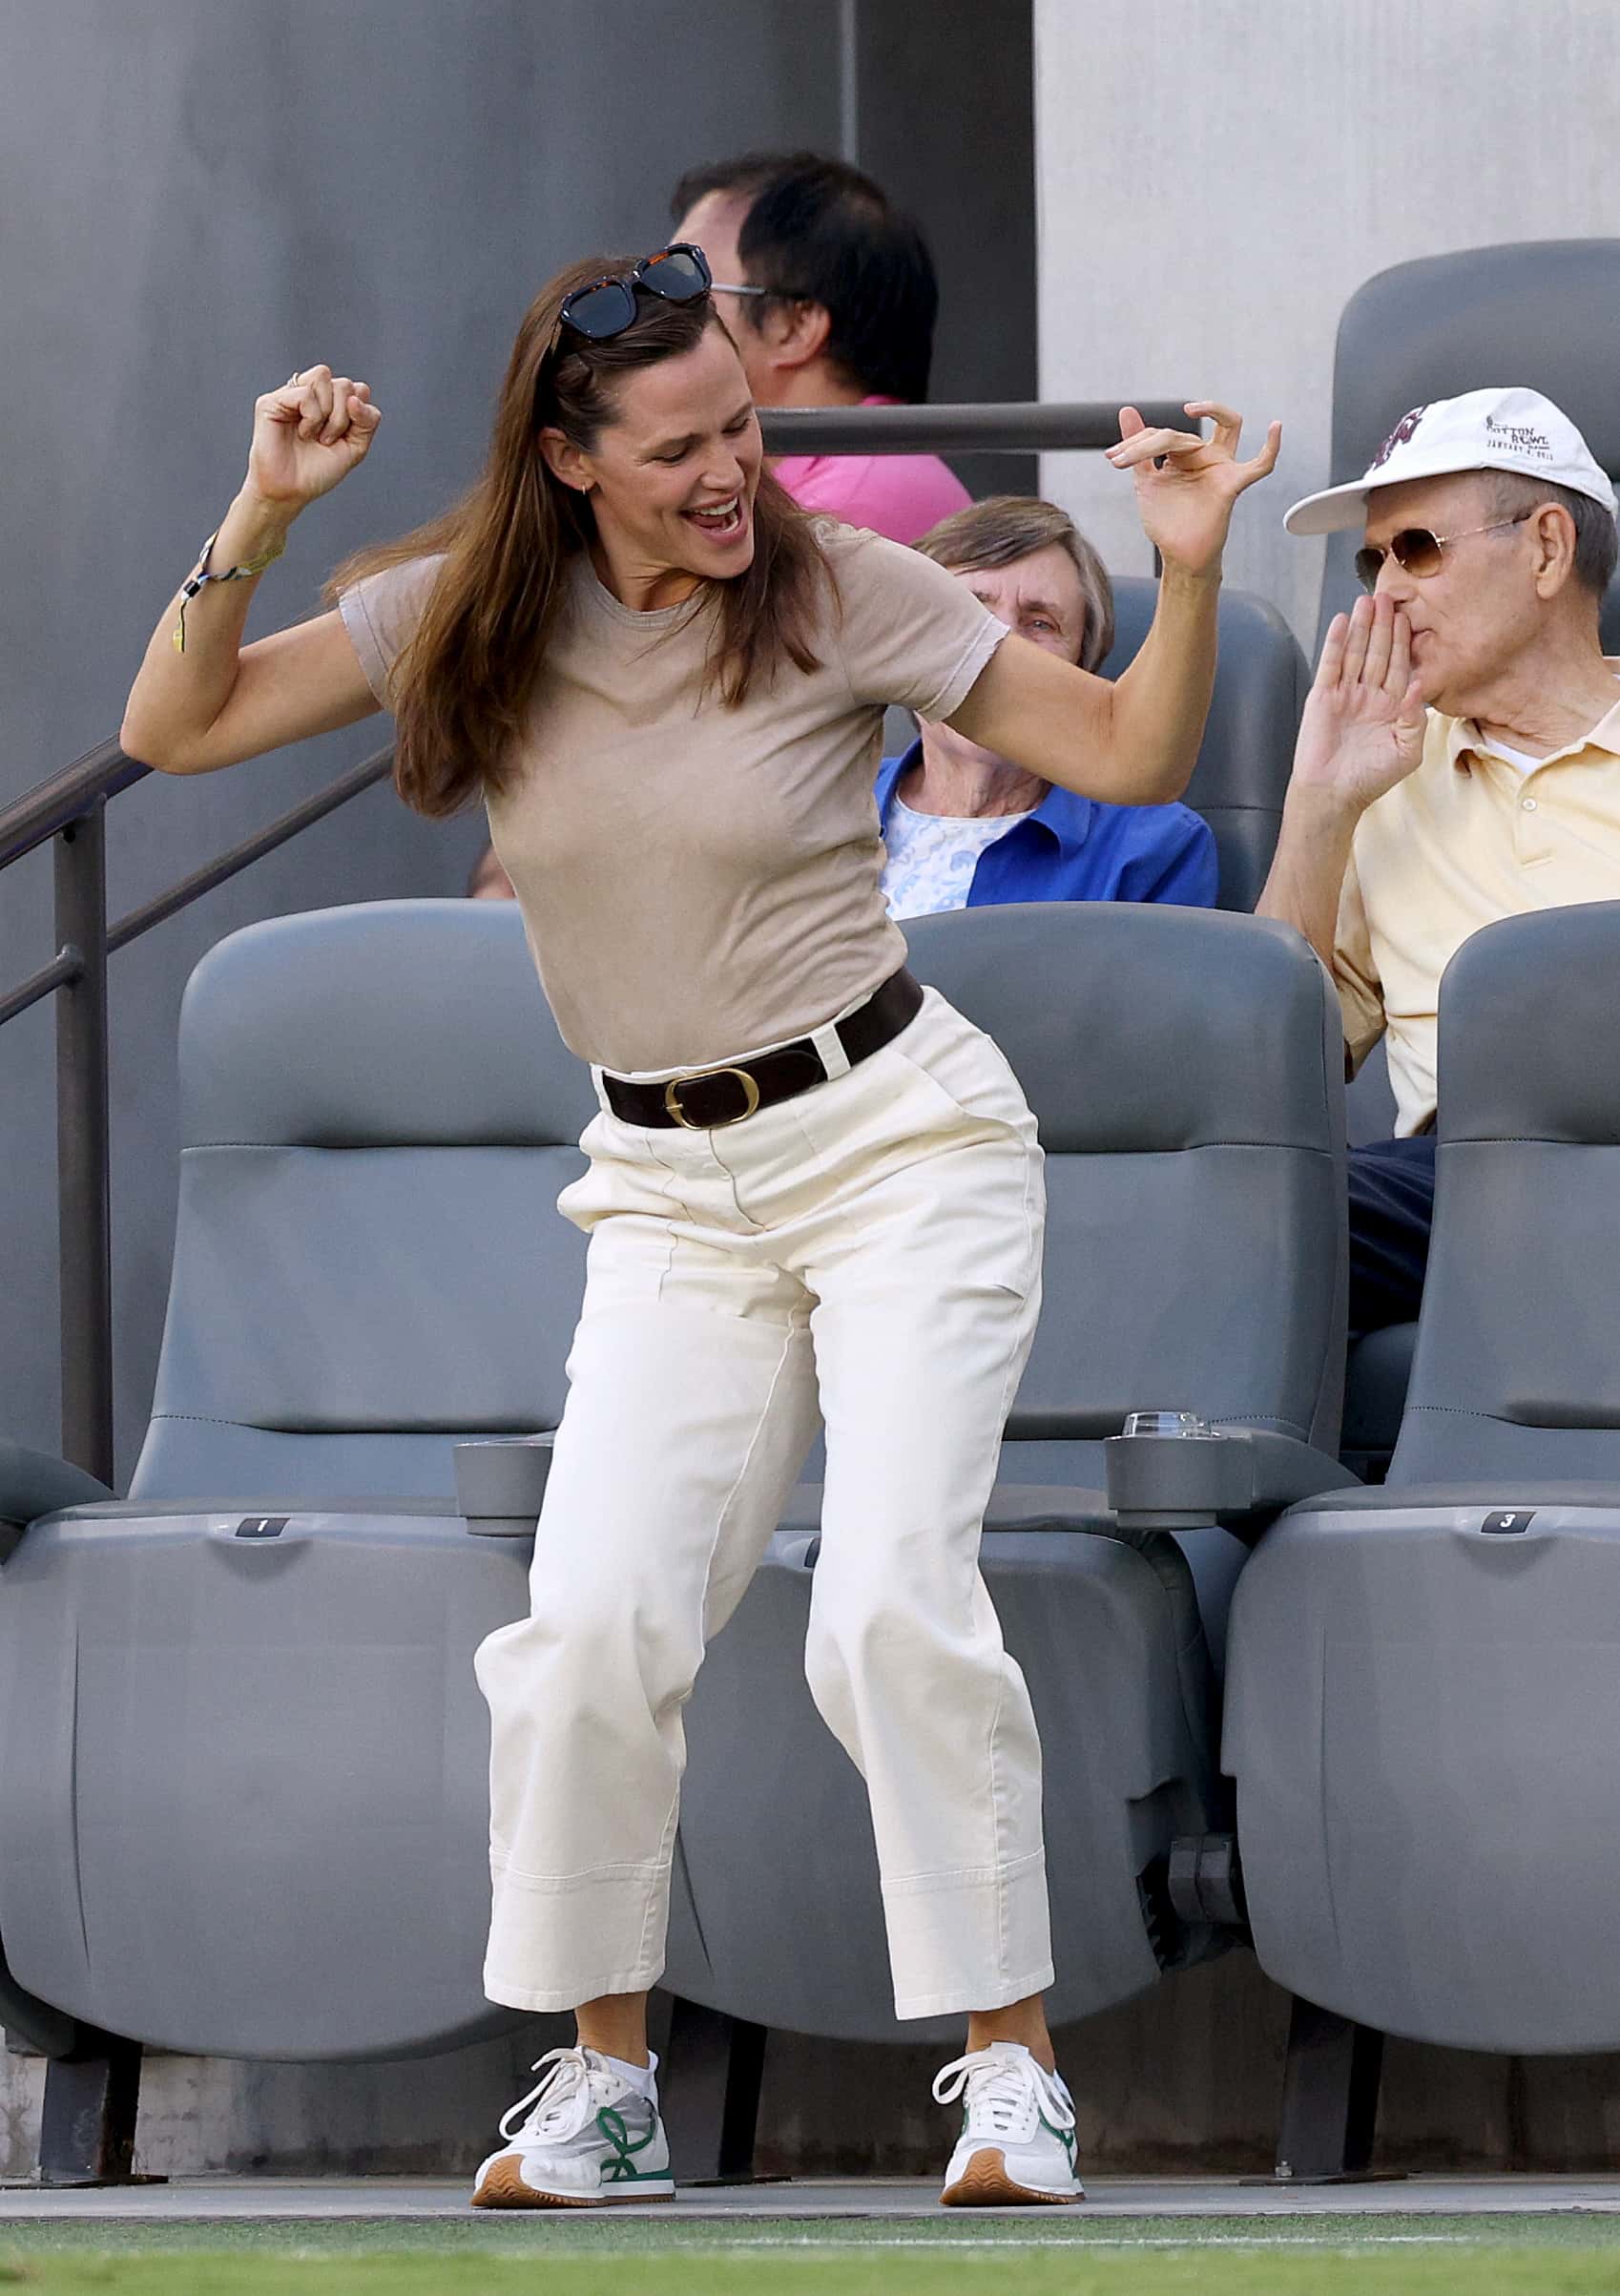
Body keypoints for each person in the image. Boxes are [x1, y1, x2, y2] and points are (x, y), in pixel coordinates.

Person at [119, 241, 1277, 2210]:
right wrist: (261, 511)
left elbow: (1135, 759)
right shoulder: (471, 615)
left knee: (889, 1605)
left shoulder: (838, 586)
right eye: (680, 450)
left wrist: (1185, 563)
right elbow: (176, 728)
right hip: (667, 1186)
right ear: (571, 460)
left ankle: (1013, 2071)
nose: (734, 472)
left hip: (902, 1141)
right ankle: (607, 2082)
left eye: (744, 425)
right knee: (586, 1629)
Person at [1259, 386, 1620, 1330]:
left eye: (1417, 548)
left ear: (1547, 548)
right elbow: (1267, 1061)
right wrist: (1320, 801)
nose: (1384, 590)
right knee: (1245, 1214)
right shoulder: (1381, 778)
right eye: (1371, 561)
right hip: (1461, 1183)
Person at [879, 496, 1218, 918]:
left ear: (1082, 670)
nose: (999, 648)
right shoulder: (822, 803)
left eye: (1040, 624)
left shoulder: (1151, 847)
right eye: (968, 612)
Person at [671, 150, 971, 542]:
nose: (656, 308)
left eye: (685, 283)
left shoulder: (851, 502)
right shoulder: (862, 468)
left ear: (795, 326)